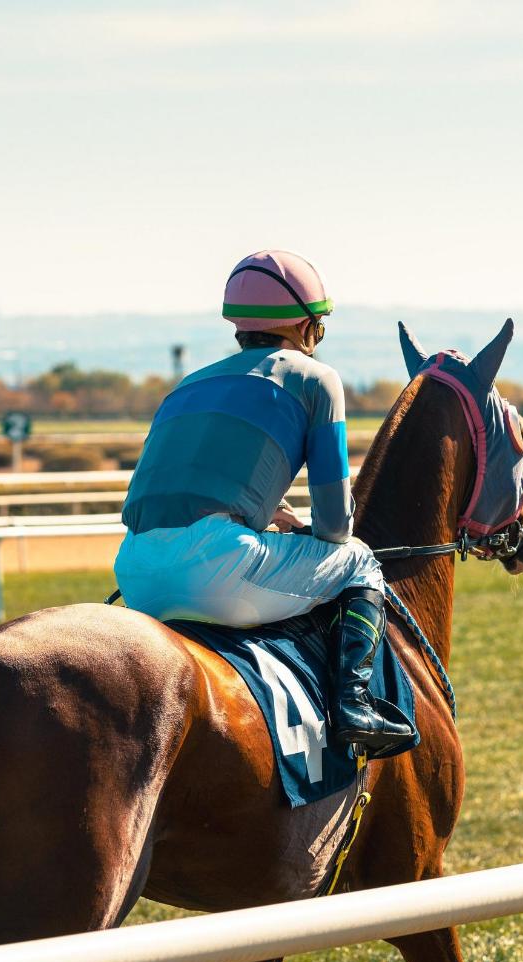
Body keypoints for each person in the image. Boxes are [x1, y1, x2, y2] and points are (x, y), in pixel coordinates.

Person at [114, 249, 411, 750]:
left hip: (134, 570)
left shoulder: (188, 384)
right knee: (359, 561)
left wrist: (266, 514)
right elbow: (337, 525)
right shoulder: (318, 379)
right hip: (216, 568)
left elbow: (181, 488)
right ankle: (354, 707)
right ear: (303, 323)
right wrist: (302, 529)